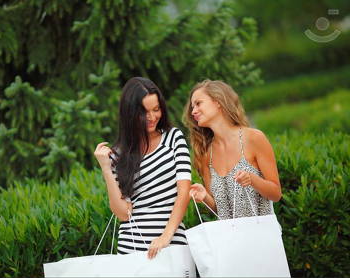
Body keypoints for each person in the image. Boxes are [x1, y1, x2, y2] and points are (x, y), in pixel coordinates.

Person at [94, 77, 191, 259]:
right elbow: (123, 213)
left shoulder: (173, 138)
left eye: (156, 109)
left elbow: (183, 192)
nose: (152, 117)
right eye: (144, 112)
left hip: (171, 245)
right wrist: (106, 168)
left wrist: (166, 236)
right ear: (129, 113)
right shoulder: (118, 154)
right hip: (131, 250)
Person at [183, 79, 282, 219]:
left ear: (218, 102)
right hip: (230, 239)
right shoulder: (206, 155)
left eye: (198, 103)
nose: (193, 111)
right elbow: (221, 208)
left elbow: (276, 193)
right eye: (192, 107)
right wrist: (204, 196)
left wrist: (252, 180)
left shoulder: (254, 138)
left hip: (261, 236)